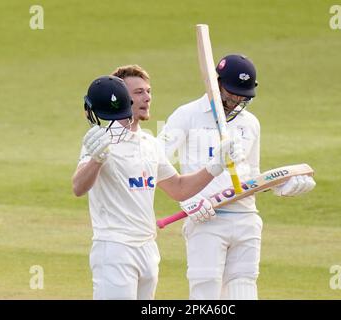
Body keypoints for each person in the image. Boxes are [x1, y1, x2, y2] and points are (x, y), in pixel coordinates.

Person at [72, 69, 244, 300]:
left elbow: (178, 188)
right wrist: (97, 159)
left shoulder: (149, 144)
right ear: (124, 99)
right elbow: (78, 187)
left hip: (148, 248)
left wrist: (215, 167)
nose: (147, 98)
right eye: (139, 92)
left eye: (148, 92)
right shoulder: (100, 142)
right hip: (115, 248)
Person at [158, 54, 316, 300]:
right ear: (216, 82)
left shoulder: (250, 123)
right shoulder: (187, 115)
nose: (236, 100)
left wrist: (279, 187)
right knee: (206, 293)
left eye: (243, 95)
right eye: (232, 92)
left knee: (243, 291)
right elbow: (156, 159)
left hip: (246, 218)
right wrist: (187, 200)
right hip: (206, 219)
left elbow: (251, 174)